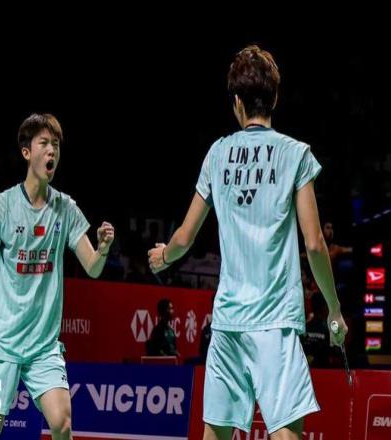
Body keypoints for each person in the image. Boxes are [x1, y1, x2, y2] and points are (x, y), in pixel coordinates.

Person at [148, 45, 347, 440]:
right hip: (276, 324)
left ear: (237, 102)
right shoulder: (295, 154)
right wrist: (334, 309)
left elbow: (184, 237)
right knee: (285, 434)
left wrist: (163, 256)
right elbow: (313, 244)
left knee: (215, 434)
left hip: (228, 323)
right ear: (275, 98)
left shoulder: (217, 154)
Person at [0, 113, 114, 440]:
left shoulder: (66, 208)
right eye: (44, 144)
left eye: (56, 145)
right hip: (3, 341)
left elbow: (92, 267)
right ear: (26, 152)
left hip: (43, 346)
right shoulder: (1, 206)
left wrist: (103, 249)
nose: (52, 151)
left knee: (62, 423)